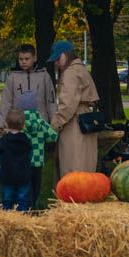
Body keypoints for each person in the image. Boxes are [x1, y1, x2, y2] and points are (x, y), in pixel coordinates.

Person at [48, 40, 99, 178]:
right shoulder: (81, 69)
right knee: (85, 168)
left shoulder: (70, 73)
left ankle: (72, 199)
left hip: (74, 124)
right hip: (84, 120)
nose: (56, 63)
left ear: (66, 55)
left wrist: (53, 126)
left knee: (72, 168)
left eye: (58, 58)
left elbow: (67, 106)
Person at [0, 44, 56, 129]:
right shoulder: (13, 77)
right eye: (21, 59)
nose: (23, 62)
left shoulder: (44, 76)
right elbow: (6, 102)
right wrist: (0, 124)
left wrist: (55, 124)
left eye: (27, 59)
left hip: (40, 125)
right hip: (17, 125)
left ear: (34, 58)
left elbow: (51, 102)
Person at [16, 90, 58, 209]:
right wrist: (43, 138)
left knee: (24, 184)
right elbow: (53, 136)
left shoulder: (19, 123)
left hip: (23, 161)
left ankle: (25, 204)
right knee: (36, 184)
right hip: (38, 161)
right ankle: (33, 203)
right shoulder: (41, 122)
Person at [0, 108, 33, 211]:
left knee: (7, 198)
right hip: (23, 174)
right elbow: (30, 155)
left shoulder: (2, 140)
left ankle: (7, 216)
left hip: (6, 174)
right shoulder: (27, 140)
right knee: (23, 198)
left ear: (6, 123)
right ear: (23, 125)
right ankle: (22, 216)